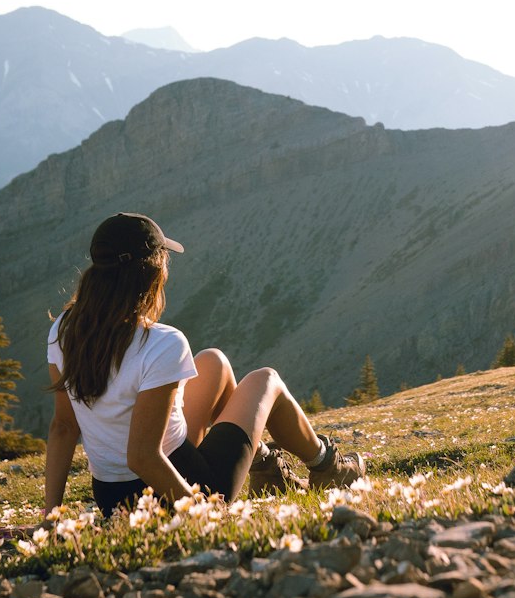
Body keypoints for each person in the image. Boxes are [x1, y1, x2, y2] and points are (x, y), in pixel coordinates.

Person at [45, 212, 363, 517]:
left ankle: (264, 467)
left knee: (213, 362)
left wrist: (51, 516)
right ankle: (328, 467)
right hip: (179, 489)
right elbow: (142, 456)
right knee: (267, 381)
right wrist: (202, 513)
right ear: (154, 272)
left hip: (113, 498)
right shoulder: (161, 343)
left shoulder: (64, 330)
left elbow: (63, 427)